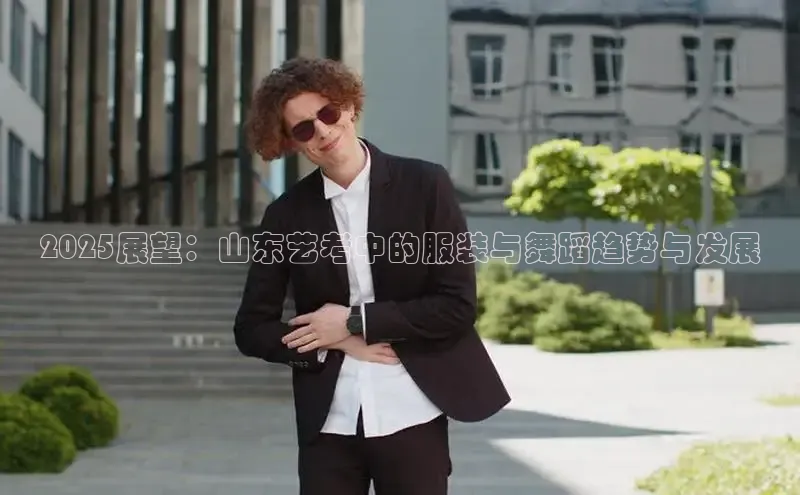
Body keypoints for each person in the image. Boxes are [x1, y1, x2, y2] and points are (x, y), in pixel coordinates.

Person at [233, 57, 510, 495]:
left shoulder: (425, 185)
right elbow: (252, 329)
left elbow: (456, 305)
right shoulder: (285, 215)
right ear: (290, 142)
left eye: (327, 113)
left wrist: (354, 321)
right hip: (329, 422)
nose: (322, 131)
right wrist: (332, 342)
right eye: (303, 128)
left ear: (348, 107)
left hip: (413, 408)